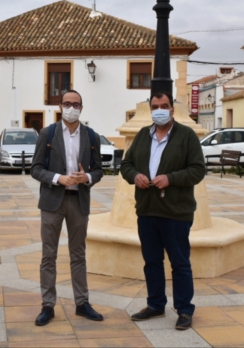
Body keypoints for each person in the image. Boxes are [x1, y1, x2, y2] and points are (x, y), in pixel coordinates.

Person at [120, 91, 205, 330]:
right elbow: (126, 164)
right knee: (152, 262)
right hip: (147, 211)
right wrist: (134, 175)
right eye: (155, 106)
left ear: (172, 109)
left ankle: (185, 310)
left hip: (176, 213)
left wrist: (171, 178)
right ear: (151, 109)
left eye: (164, 105)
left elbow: (198, 170)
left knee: (180, 263)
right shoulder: (142, 135)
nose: (160, 109)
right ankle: (156, 304)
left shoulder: (186, 136)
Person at [30, 90, 104, 326]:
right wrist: (57, 178)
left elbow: (99, 170)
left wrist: (88, 177)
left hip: (78, 201)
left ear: (82, 107)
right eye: (67, 103)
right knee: (48, 255)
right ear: (60, 106)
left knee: (78, 254)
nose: (71, 107)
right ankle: (47, 305)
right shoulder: (47, 133)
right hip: (53, 201)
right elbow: (36, 168)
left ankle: (82, 303)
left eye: (76, 104)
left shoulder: (91, 136)